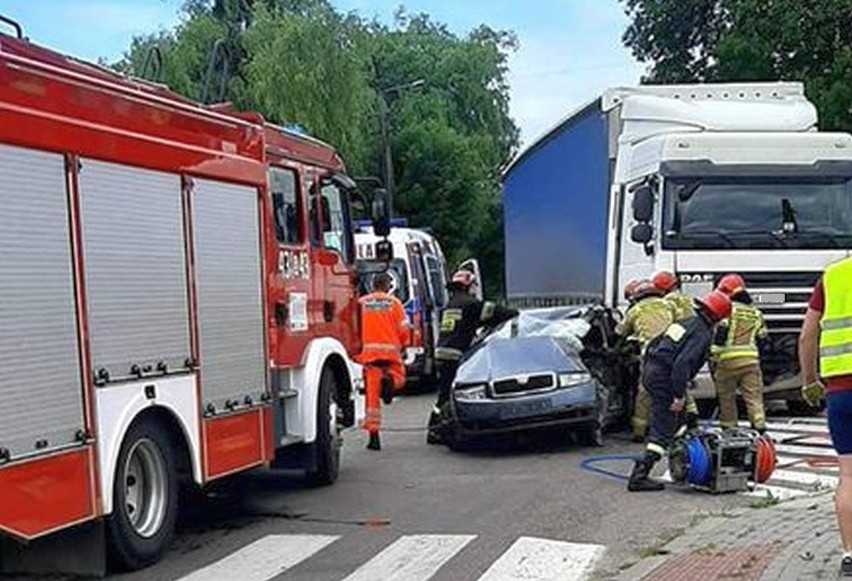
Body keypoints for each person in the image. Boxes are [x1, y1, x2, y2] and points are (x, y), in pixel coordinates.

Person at [627, 290, 732, 492]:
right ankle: (640, 475)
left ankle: (682, 461)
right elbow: (682, 364)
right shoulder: (702, 334)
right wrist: (678, 394)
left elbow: (654, 345)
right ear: (718, 317)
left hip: (652, 370)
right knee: (664, 425)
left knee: (681, 420)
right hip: (665, 377)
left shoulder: (685, 323)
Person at [798, 257, 852, 576]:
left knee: (848, 476)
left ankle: (850, 554)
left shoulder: (832, 276)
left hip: (840, 391)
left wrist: (809, 382)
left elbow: (807, 335)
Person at [427, 269, 518, 444]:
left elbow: (471, 321)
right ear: (468, 286)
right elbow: (498, 312)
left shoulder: (452, 304)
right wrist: (516, 313)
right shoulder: (470, 303)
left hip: (442, 352)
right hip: (455, 354)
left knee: (445, 393)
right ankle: (436, 430)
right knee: (450, 394)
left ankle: (438, 428)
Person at [354, 272, 413, 451]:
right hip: (390, 355)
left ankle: (374, 436)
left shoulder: (361, 303)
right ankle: (391, 383)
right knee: (401, 377)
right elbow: (404, 329)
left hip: (369, 357)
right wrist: (405, 345)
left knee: (372, 400)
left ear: (373, 285)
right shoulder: (394, 303)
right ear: (388, 286)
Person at [616, 280, 676, 442]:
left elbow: (620, 332)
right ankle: (682, 427)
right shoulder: (668, 305)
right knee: (677, 389)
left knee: (644, 392)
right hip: (673, 352)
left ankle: (639, 432)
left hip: (652, 355)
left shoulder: (636, 309)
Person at [712, 273, 769, 433]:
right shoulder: (756, 313)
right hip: (751, 361)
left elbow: (721, 334)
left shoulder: (727, 310)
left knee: (726, 397)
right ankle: (759, 424)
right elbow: (763, 339)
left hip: (727, 361)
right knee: (753, 396)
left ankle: (729, 427)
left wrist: (714, 354)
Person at [651, 269, 701, 424]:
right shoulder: (686, 298)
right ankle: (692, 410)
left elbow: (667, 322)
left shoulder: (668, 302)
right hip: (691, 338)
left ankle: (686, 411)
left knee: (674, 375)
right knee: (682, 375)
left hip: (677, 339)